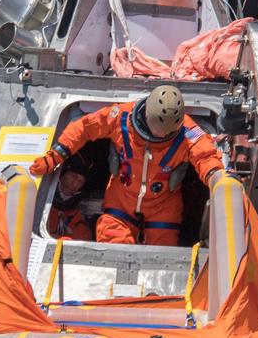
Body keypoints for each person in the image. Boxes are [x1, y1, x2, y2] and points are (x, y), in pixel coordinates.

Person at [30, 85, 224, 246]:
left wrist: (218, 179)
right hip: (121, 199)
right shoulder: (121, 117)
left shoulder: (188, 132)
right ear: (147, 116)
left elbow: (206, 155)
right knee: (112, 243)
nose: (161, 136)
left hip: (163, 204)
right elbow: (84, 127)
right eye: (158, 131)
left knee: (161, 253)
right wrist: (56, 155)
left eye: (167, 133)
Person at [46, 152, 95, 241]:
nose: (75, 183)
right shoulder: (42, 202)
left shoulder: (76, 212)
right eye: (74, 176)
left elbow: (83, 238)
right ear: (63, 173)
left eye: (81, 181)